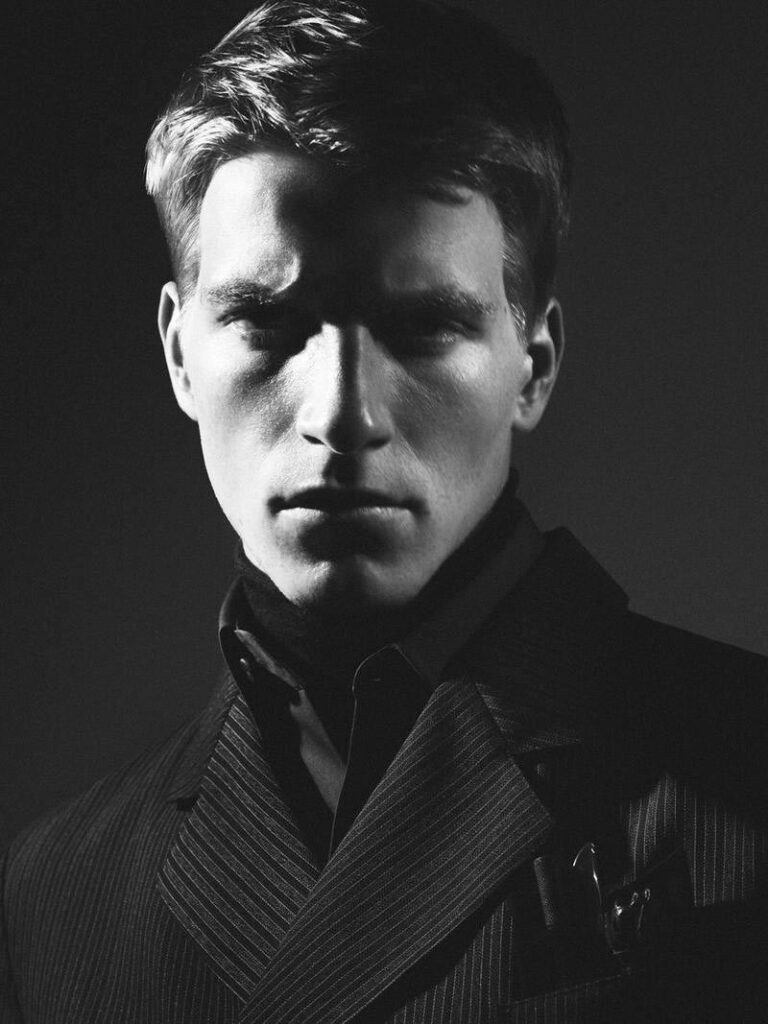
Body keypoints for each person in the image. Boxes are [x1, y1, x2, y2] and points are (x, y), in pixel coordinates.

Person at [2, 1, 767, 1021]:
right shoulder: (55, 897)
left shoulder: (744, 772)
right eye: (265, 321)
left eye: (420, 326)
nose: (341, 415)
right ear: (181, 354)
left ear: (534, 366)